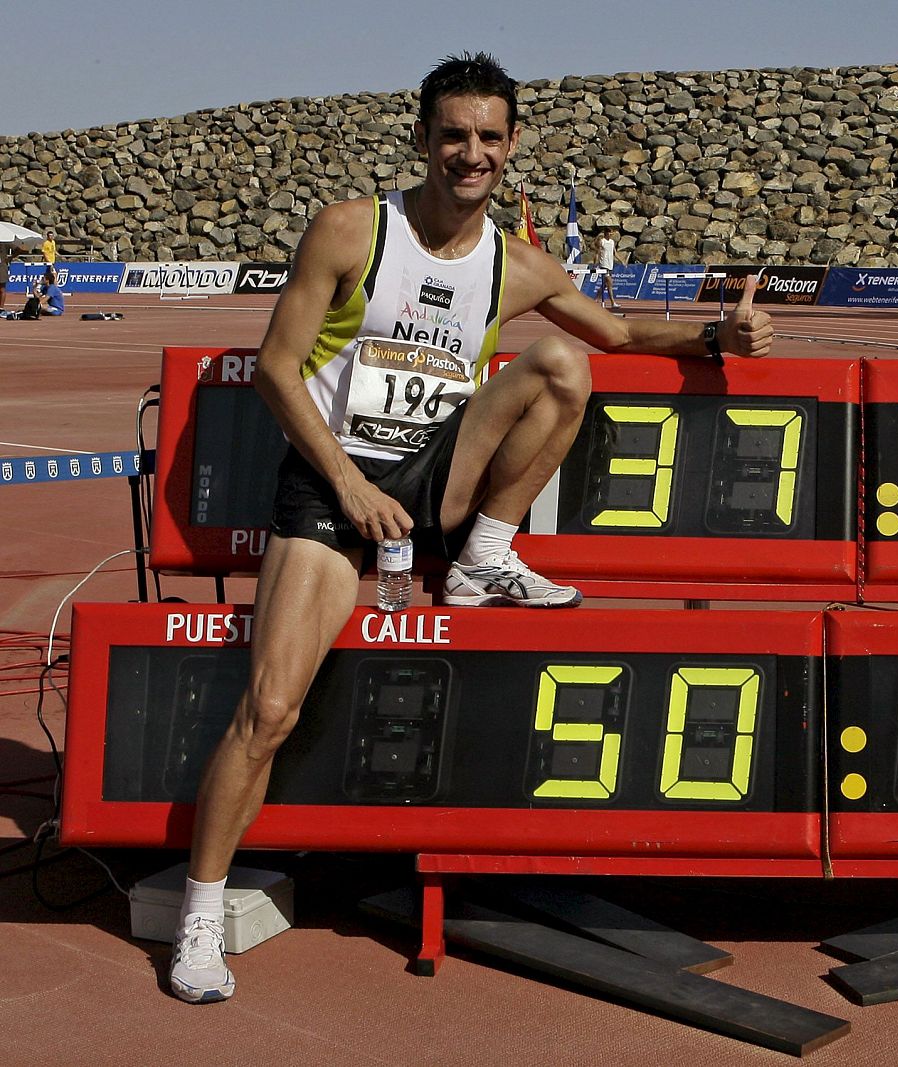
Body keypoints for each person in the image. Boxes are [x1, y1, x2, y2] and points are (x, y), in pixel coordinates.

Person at [166, 52, 773, 1006]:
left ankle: (486, 552)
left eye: (490, 137)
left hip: (435, 482)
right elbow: (280, 370)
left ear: (512, 145)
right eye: (454, 135)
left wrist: (712, 339)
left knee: (561, 364)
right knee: (271, 708)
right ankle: (201, 916)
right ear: (422, 138)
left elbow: (612, 335)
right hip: (332, 490)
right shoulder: (352, 230)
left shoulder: (518, 264)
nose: (471, 153)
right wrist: (350, 490)